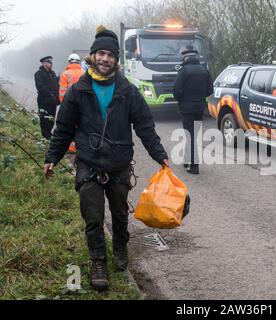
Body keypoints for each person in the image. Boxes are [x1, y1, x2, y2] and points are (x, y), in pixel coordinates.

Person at [44, 25, 169, 291]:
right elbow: (64, 127)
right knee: (93, 218)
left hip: (119, 164)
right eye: (100, 53)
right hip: (88, 162)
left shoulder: (128, 91)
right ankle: (98, 262)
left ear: (116, 60)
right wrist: (52, 156)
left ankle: (120, 247)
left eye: (110, 55)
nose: (104, 59)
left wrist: (160, 155)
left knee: (120, 215)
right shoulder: (79, 90)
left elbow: (145, 126)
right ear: (92, 56)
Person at [173, 45, 213, 174]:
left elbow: (176, 91)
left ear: (185, 56)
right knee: (194, 134)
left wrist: (182, 100)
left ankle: (194, 166)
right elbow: (210, 90)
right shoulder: (203, 70)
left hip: (187, 108)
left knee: (189, 135)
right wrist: (199, 98)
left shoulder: (184, 70)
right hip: (199, 108)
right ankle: (187, 160)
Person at [57, 53, 85, 153]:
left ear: (69, 62)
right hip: (84, 105)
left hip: (70, 105)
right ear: (79, 62)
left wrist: (64, 105)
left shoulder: (65, 74)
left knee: (70, 126)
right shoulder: (85, 73)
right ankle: (82, 146)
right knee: (82, 126)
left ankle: (72, 148)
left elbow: (62, 92)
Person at [34, 56, 59, 140]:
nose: (51, 64)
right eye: (49, 62)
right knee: (44, 119)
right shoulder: (39, 73)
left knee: (52, 119)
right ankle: (45, 136)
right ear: (44, 63)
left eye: (51, 62)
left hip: (53, 101)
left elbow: (56, 84)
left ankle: (49, 134)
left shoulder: (53, 73)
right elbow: (40, 87)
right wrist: (50, 94)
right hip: (44, 101)